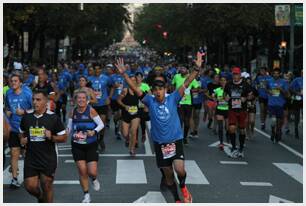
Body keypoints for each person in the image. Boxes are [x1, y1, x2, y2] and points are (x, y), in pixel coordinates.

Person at [114, 52, 203, 203]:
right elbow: (135, 88)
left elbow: (188, 82)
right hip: (160, 144)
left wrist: (196, 68)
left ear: (165, 90)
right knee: (168, 176)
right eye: (155, 90)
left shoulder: (174, 98)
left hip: (175, 140)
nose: (158, 92)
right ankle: (176, 199)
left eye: (161, 89)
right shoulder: (149, 101)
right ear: (153, 91)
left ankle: (183, 187)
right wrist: (124, 75)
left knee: (180, 170)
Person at [19, 89, 67, 203]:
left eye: (38, 100)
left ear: (46, 101)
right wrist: (22, 140)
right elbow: (21, 132)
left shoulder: (53, 118)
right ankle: (41, 198)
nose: (35, 102)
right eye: (33, 99)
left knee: (47, 185)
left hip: (48, 157)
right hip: (31, 157)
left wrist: (51, 137)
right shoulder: (26, 118)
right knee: (30, 186)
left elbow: (64, 137)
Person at [67, 90, 104, 203]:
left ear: (87, 100)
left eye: (83, 98)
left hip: (91, 145)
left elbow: (101, 124)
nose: (81, 100)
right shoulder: (72, 112)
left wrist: (94, 131)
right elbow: (69, 128)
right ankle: (86, 195)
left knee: (92, 172)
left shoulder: (91, 110)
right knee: (82, 171)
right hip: (77, 145)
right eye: (79, 98)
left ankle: (94, 179)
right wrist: (63, 134)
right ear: (75, 100)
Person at [5, 73, 33, 188]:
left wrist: (24, 112)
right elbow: (7, 106)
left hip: (26, 129)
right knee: (13, 153)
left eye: (15, 81)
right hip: (14, 128)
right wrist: (7, 112)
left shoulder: (27, 94)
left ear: (20, 83)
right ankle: (14, 179)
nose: (13, 83)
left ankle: (29, 176)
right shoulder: (8, 93)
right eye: (11, 81)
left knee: (27, 154)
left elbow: (36, 109)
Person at [224, 67, 252, 158]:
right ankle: (233, 147)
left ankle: (241, 148)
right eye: (234, 74)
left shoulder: (245, 85)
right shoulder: (228, 84)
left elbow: (251, 95)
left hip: (242, 110)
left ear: (240, 75)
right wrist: (226, 98)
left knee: (242, 130)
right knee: (232, 128)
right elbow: (225, 94)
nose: (235, 76)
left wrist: (246, 98)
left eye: (237, 74)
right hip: (232, 109)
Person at [172, 65, 199, 145]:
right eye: (181, 68)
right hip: (179, 102)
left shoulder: (191, 78)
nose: (182, 69)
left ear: (187, 70)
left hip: (188, 102)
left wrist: (191, 90)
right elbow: (172, 85)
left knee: (187, 122)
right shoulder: (176, 76)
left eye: (184, 68)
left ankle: (185, 137)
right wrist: (174, 94)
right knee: (179, 121)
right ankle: (178, 138)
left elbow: (197, 87)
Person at [117, 74, 141, 156]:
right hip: (126, 114)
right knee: (125, 134)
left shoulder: (138, 90)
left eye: (134, 80)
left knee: (133, 131)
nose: (133, 82)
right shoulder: (125, 90)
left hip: (136, 114)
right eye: (131, 80)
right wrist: (125, 106)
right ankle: (127, 139)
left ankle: (132, 149)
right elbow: (118, 100)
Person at [266, 68, 289, 143]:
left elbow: (286, 94)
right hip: (271, 104)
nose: (276, 74)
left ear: (279, 74)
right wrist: (269, 91)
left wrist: (281, 89)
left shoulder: (284, 82)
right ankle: (273, 131)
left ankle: (278, 132)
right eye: (274, 73)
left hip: (280, 104)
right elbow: (266, 89)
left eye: (277, 73)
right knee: (273, 120)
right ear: (272, 74)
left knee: (279, 122)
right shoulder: (269, 81)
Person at [212, 75, 229, 150]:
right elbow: (213, 96)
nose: (223, 82)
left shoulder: (230, 90)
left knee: (227, 127)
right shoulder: (217, 90)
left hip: (228, 110)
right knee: (220, 127)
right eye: (221, 80)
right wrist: (215, 99)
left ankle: (228, 136)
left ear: (227, 81)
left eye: (224, 80)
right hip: (219, 109)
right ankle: (221, 142)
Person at [289, 70, 303, 139]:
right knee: (297, 115)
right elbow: (290, 88)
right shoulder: (297, 80)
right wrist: (297, 93)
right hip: (298, 99)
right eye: (302, 73)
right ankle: (296, 129)